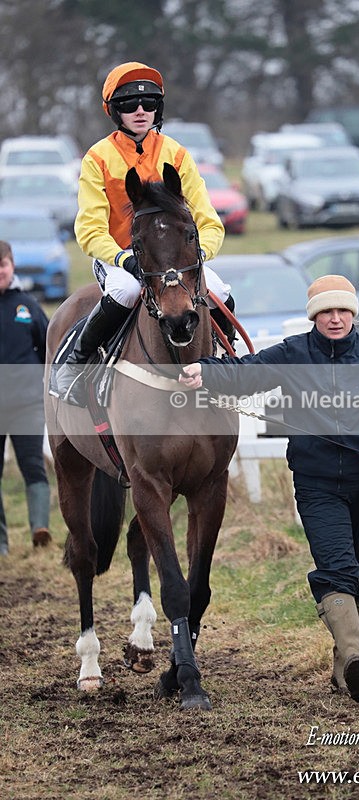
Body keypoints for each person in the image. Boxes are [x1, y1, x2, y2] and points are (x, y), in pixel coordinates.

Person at [179, 275, 359, 703]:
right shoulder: (292, 354)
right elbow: (243, 375)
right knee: (337, 569)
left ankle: (345, 669)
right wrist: (202, 371)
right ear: (313, 316)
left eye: (342, 311)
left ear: (353, 314)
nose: (335, 319)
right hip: (317, 484)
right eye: (325, 312)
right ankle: (357, 658)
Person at [56, 61, 234, 405]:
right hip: (122, 260)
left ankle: (228, 360)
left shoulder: (177, 154)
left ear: (158, 109)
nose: (140, 111)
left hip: (179, 259)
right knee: (123, 291)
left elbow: (209, 222)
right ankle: (76, 364)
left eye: (149, 104)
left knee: (220, 291)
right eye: (128, 105)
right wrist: (124, 259)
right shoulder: (98, 158)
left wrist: (198, 256)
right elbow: (89, 229)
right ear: (114, 112)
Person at [0, 241, 51, 553]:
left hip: (27, 405)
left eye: (2, 266)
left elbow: (48, 348)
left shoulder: (28, 307)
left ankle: (40, 529)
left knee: (33, 465)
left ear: (11, 266)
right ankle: (1, 543)